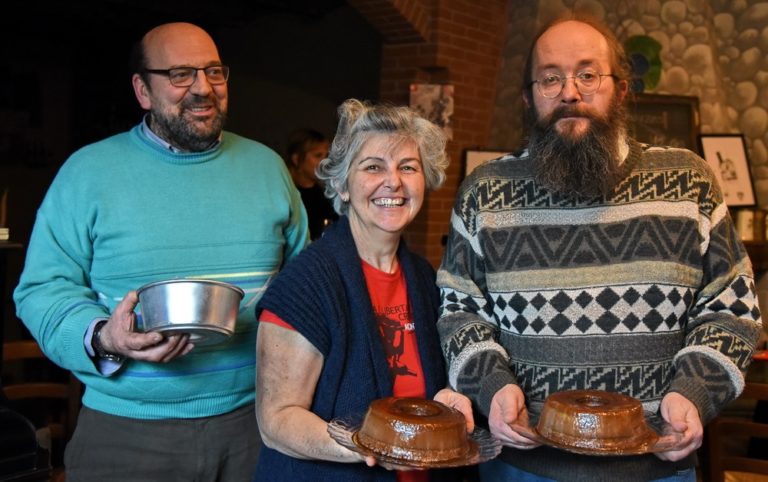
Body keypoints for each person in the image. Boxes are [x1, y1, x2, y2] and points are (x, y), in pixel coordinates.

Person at [436, 16, 762, 482]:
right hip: (522, 466)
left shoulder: (689, 182)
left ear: (622, 91)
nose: (570, 92)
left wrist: (693, 392)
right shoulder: (485, 193)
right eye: (551, 78)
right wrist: (493, 385)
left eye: (588, 74)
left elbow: (732, 307)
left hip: (655, 467)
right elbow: (459, 310)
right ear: (529, 98)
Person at [13, 22, 308, 481]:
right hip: (126, 432)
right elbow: (41, 290)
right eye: (180, 74)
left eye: (214, 72)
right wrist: (104, 338)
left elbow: (302, 283)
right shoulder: (88, 172)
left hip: (257, 425)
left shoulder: (268, 168)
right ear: (142, 90)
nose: (203, 88)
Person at [253, 99, 475, 482]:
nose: (394, 181)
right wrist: (365, 445)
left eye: (408, 167)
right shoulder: (304, 285)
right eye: (373, 167)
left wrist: (446, 402)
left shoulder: (424, 278)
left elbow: (419, 390)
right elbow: (277, 420)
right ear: (341, 184)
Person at [286, 128, 339, 240]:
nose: (325, 162)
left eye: (326, 156)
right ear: (296, 159)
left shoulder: (327, 197)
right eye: (318, 155)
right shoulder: (286, 197)